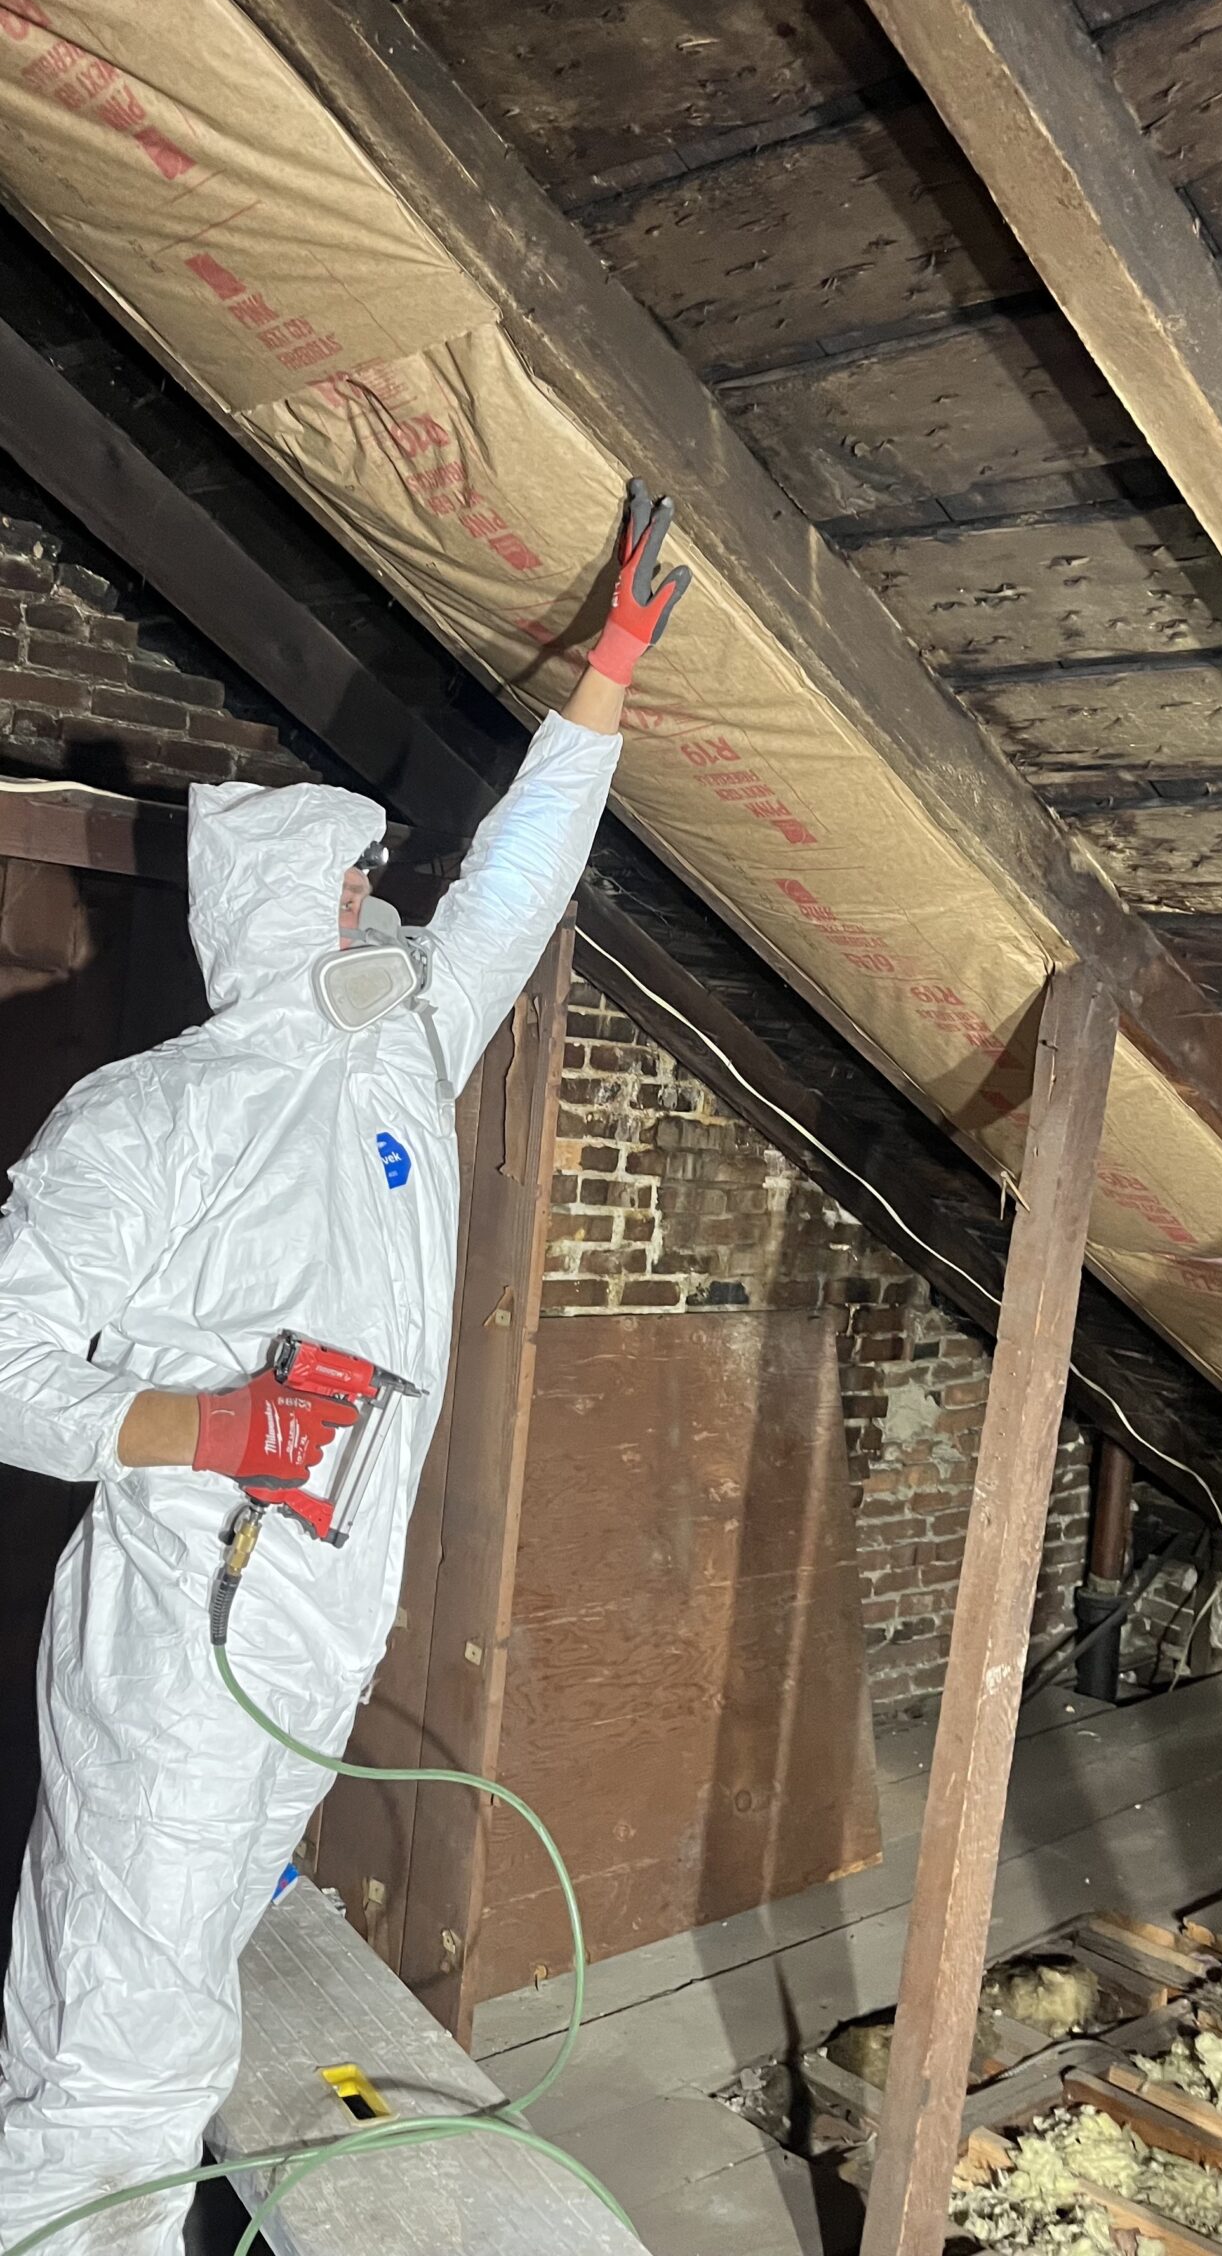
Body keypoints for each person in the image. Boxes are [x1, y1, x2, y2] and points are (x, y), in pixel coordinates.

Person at [0, 481, 688, 2249]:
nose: (389, 902)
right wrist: (210, 1422)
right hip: (179, 1634)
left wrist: (608, 677)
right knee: (113, 2056)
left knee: (201, 1973)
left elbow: (516, 890)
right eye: (361, 881)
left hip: (316, 1621)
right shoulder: (148, 1118)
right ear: (284, 907)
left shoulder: (402, 1059)